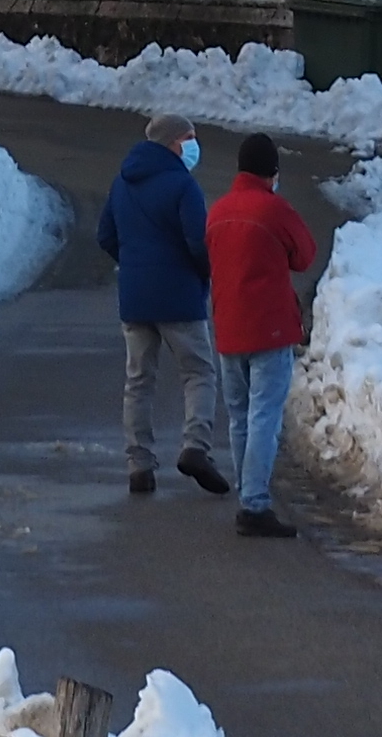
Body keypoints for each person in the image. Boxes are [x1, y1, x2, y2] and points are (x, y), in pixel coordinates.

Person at [97, 112, 229, 497]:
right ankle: (195, 447)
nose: (193, 145)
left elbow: (106, 234)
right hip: (179, 296)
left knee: (139, 380)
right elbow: (198, 242)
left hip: (135, 297)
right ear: (173, 142)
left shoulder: (123, 182)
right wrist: (205, 273)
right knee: (199, 372)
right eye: (189, 138)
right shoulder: (182, 185)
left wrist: (134, 262)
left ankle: (139, 464)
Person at [205, 132, 320, 537]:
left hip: (228, 328)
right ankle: (254, 504)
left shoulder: (217, 212)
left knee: (239, 416)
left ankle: (247, 494)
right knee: (263, 416)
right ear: (271, 171)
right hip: (269, 329)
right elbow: (305, 256)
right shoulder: (275, 210)